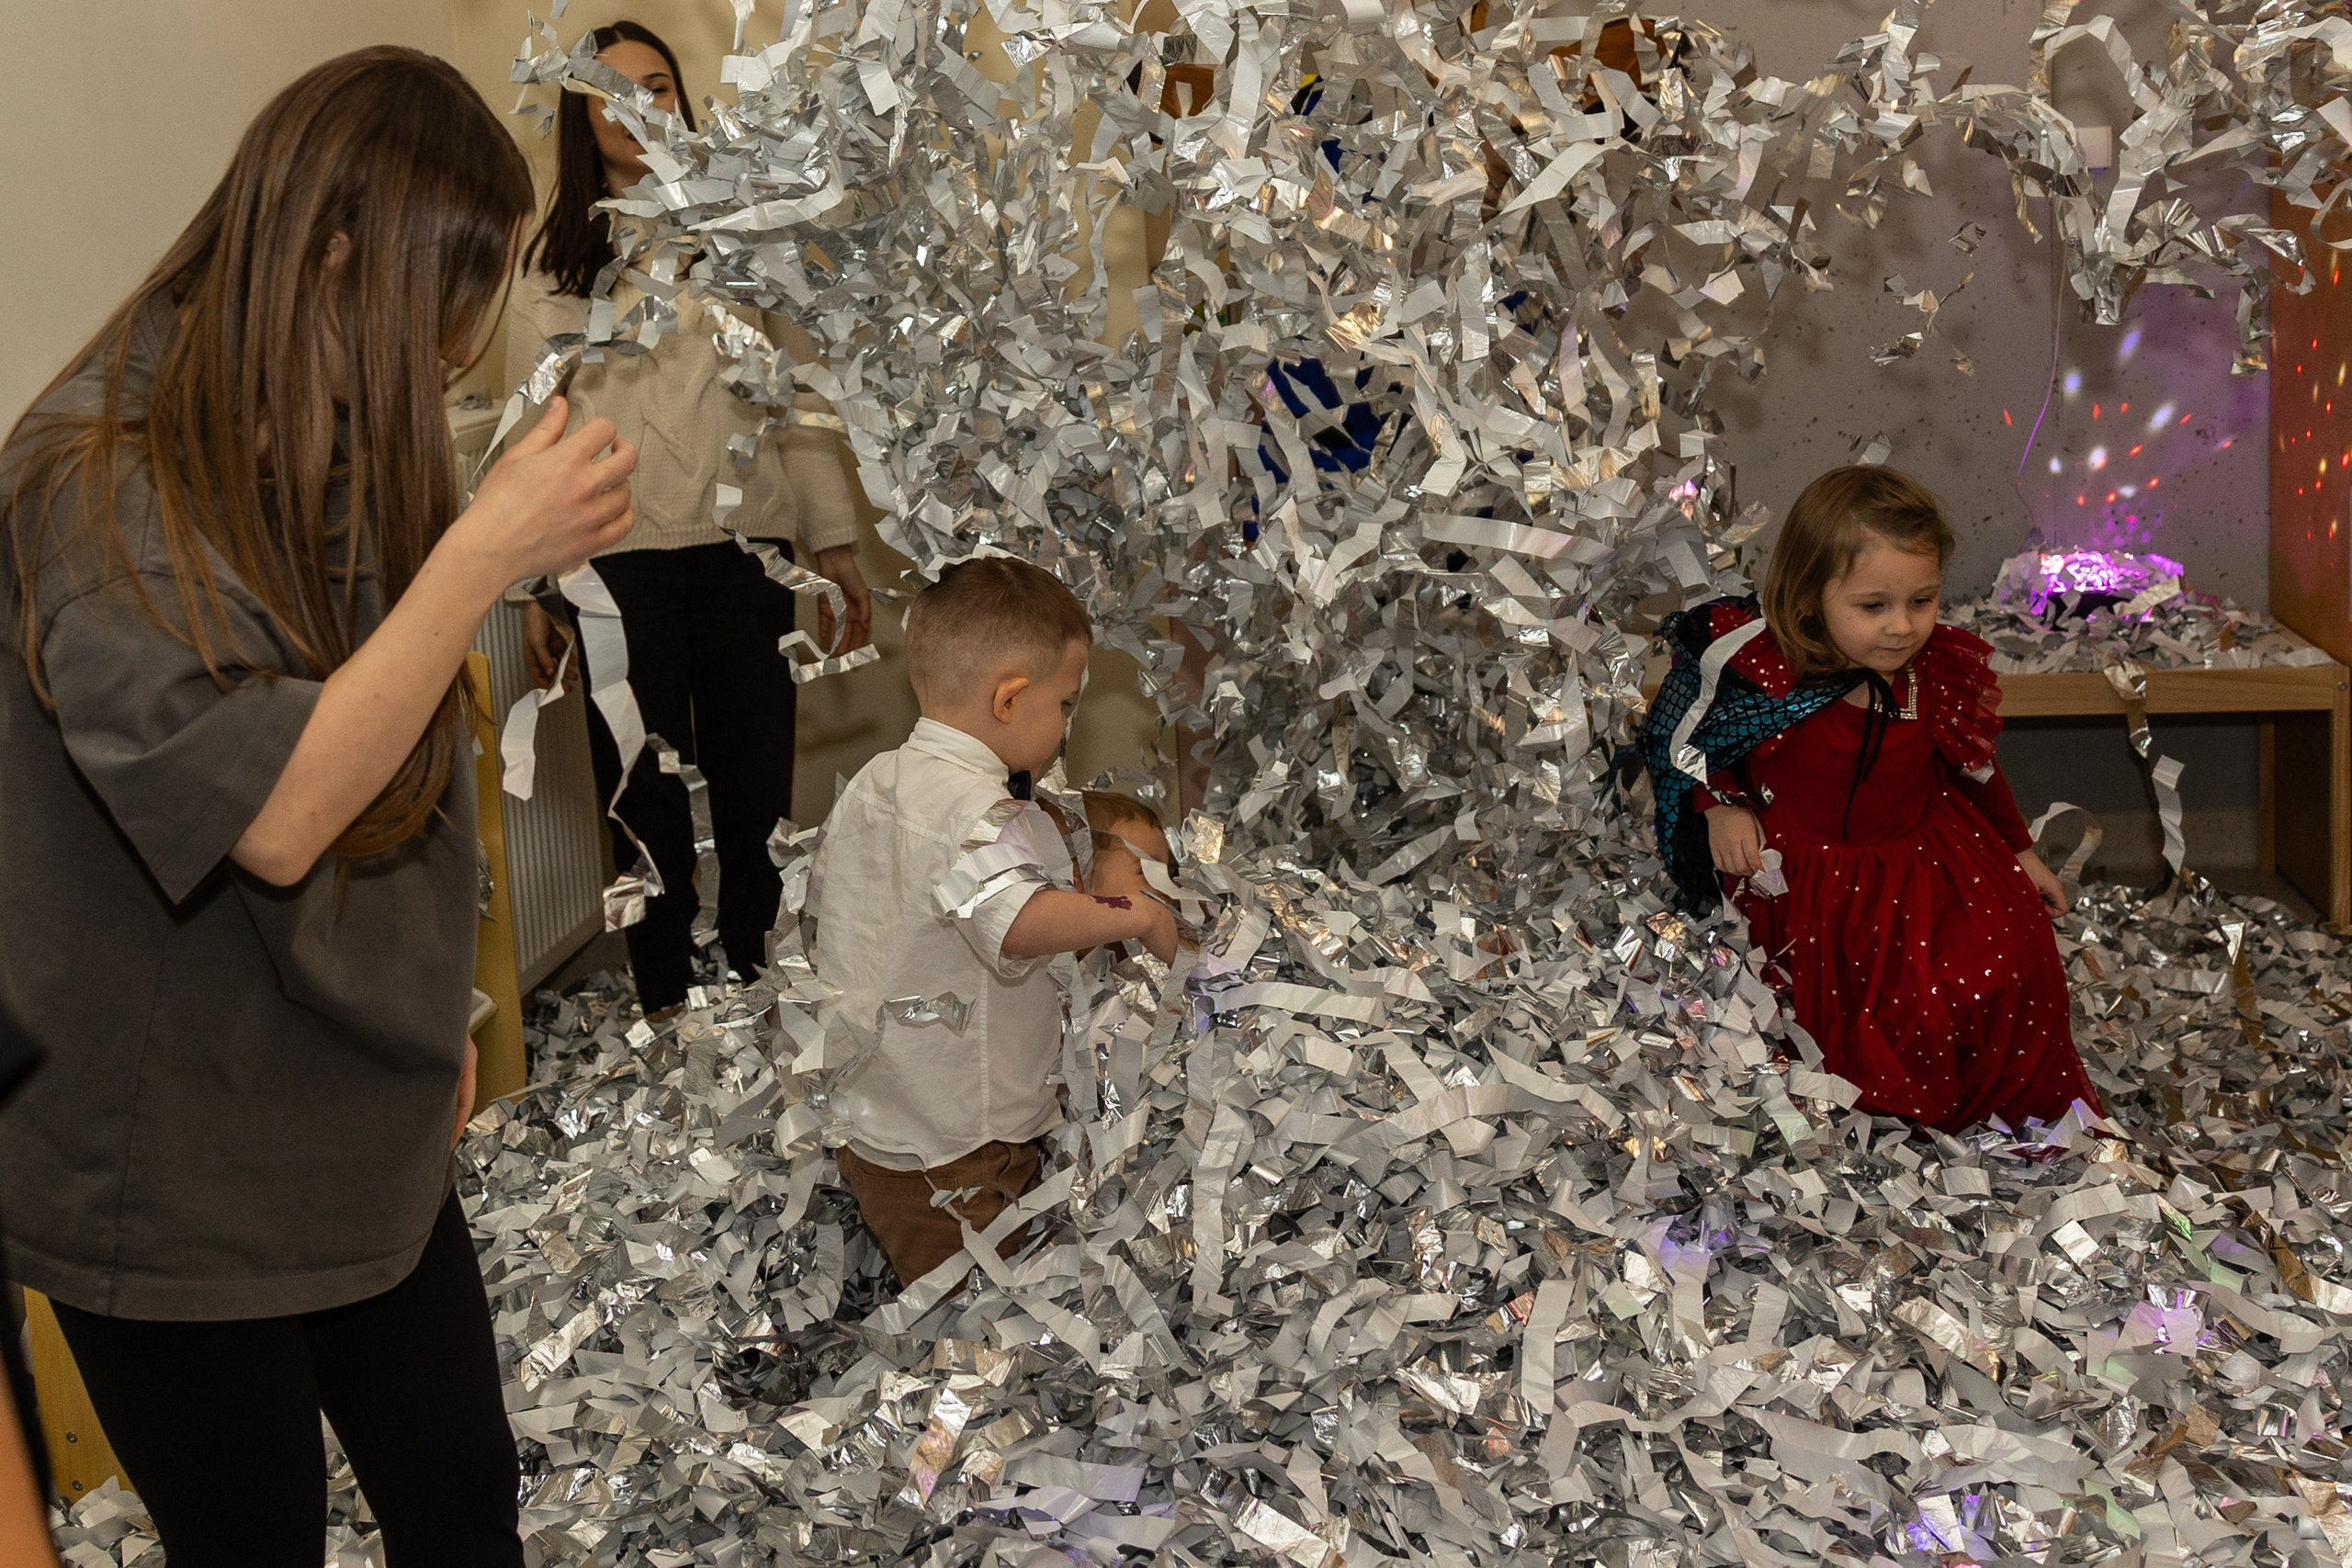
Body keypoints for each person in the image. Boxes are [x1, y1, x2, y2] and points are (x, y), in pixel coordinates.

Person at [0, 49, 636, 1567]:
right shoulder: (94, 477)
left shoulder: (327, 432)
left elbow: (403, 763)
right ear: (338, 254)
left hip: (359, 1117)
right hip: (170, 1170)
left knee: (461, 1499)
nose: (446, 359)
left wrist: (436, 1020)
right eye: (439, 305)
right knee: (253, 1540)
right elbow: (279, 812)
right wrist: (484, 556)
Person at [507, 20, 871, 1016]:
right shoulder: (554, 268)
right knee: (643, 804)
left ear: (681, 102)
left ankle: (756, 984)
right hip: (614, 567)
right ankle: (665, 1001)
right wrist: (531, 586)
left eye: (658, 86)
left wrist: (832, 545)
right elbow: (529, 436)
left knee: (756, 792)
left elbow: (796, 399)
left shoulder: (749, 236)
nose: (638, 106)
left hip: (748, 559)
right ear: (584, 117)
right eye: (611, 91)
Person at [1639, 466, 2099, 1132]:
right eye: (1873, 606)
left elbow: (1974, 767)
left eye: (1923, 599)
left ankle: (1984, 1116)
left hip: (1920, 868)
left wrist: (2022, 852)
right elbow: (1692, 746)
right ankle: (1862, 1124)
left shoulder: (1932, 673)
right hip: (1806, 888)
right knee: (1827, 1025)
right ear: (1810, 597)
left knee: (2004, 963)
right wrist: (1721, 809)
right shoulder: (1769, 679)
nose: (1903, 627)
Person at [810, 558, 1178, 1290]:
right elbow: (1018, 920)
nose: (1068, 724)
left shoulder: (878, 781)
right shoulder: (980, 815)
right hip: (958, 1151)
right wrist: (1133, 911)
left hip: (878, 1119)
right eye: (1067, 705)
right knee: (977, 1322)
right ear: (1010, 698)